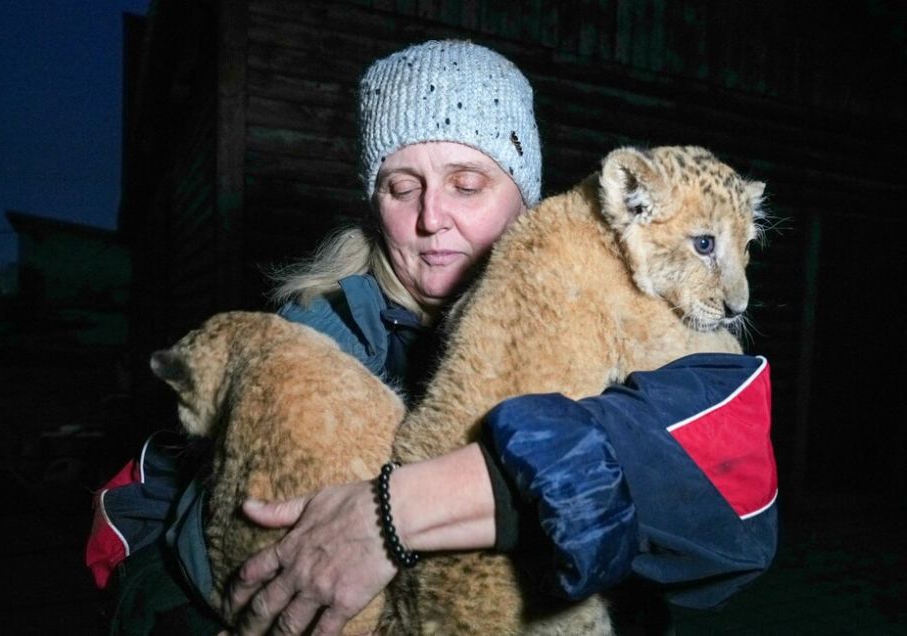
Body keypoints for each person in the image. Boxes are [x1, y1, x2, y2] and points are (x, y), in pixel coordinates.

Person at [91, 39, 777, 635]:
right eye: (401, 186)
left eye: (467, 183)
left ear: (525, 198)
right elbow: (126, 521)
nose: (430, 219)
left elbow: (734, 514)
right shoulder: (306, 335)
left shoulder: (636, 303)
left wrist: (408, 510)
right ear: (374, 201)